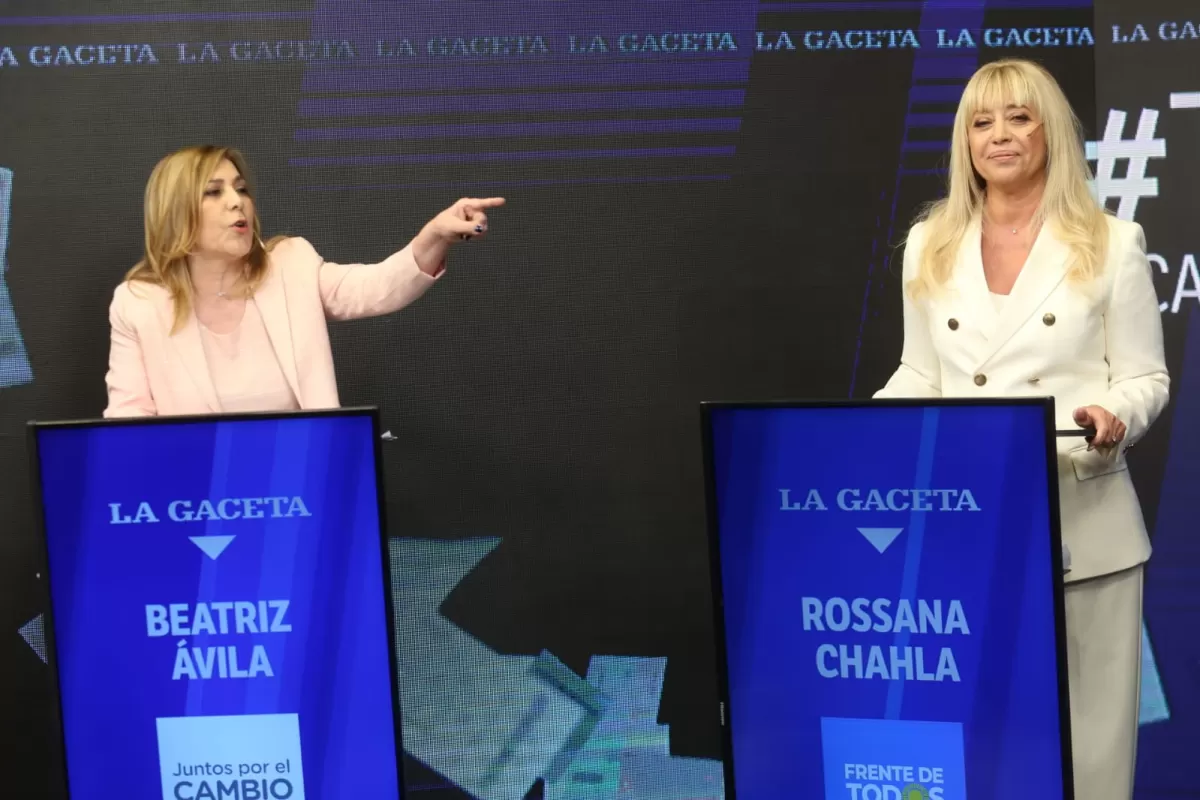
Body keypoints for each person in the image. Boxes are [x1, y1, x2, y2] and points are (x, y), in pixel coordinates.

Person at [875, 59, 1168, 798]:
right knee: (983, 737)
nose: (999, 135)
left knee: (1092, 751)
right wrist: (862, 434)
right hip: (967, 524)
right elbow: (920, 375)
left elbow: (1145, 377)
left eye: (1019, 117)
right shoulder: (929, 243)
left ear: (1050, 133)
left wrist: (1116, 416)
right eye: (981, 121)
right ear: (963, 140)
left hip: (1084, 525)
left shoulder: (1112, 240)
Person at [103, 145, 503, 416]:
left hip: (299, 484)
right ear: (174, 212)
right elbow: (128, 418)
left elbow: (376, 288)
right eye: (213, 192)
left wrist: (433, 235)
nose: (236, 201)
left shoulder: (290, 264)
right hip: (196, 497)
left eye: (241, 189)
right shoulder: (138, 303)